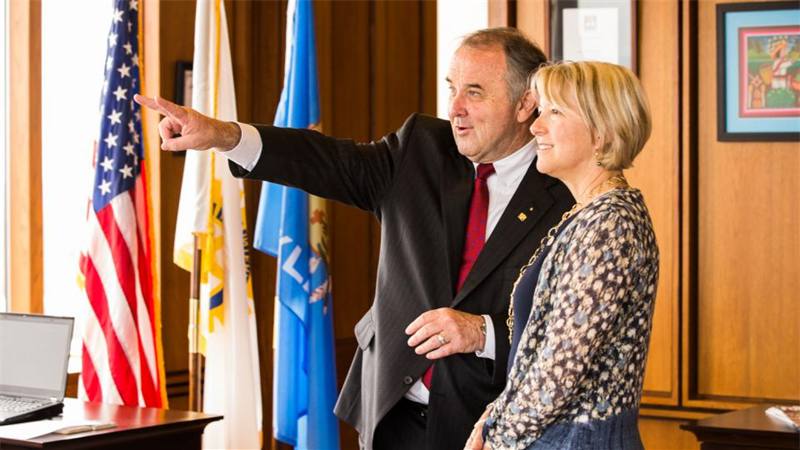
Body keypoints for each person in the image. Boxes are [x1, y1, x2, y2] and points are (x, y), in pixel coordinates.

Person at [136, 28, 573, 450]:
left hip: (493, 427)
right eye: (451, 88)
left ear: (525, 104)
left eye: (474, 92)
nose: (455, 107)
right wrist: (224, 136)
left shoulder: (567, 191)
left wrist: (484, 332)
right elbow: (327, 160)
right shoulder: (421, 148)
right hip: (392, 415)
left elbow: (571, 328)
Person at [465, 61, 658, 450]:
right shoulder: (589, 214)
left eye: (554, 112)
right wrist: (491, 418)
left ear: (601, 132)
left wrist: (498, 437)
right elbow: (536, 356)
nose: (536, 126)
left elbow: (559, 371)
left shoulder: (611, 224)